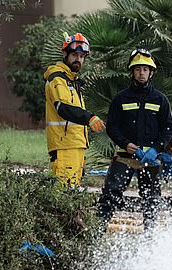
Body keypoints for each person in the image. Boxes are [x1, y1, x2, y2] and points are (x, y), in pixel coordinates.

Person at [98, 48, 172, 230]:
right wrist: (126, 143)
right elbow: (112, 127)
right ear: (132, 72)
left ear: (151, 73)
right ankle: (97, 233)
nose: (142, 73)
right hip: (125, 157)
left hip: (151, 159)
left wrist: (156, 149)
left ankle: (150, 239)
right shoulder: (120, 99)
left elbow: (168, 128)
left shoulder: (160, 100)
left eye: (145, 70)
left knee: (151, 200)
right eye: (138, 69)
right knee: (110, 195)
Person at [44, 32, 106, 187]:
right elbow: (64, 108)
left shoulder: (72, 81)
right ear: (65, 54)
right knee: (63, 193)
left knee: (72, 193)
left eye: (82, 56)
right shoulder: (58, 79)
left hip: (75, 146)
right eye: (74, 55)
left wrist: (81, 150)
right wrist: (89, 117)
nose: (78, 59)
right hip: (64, 147)